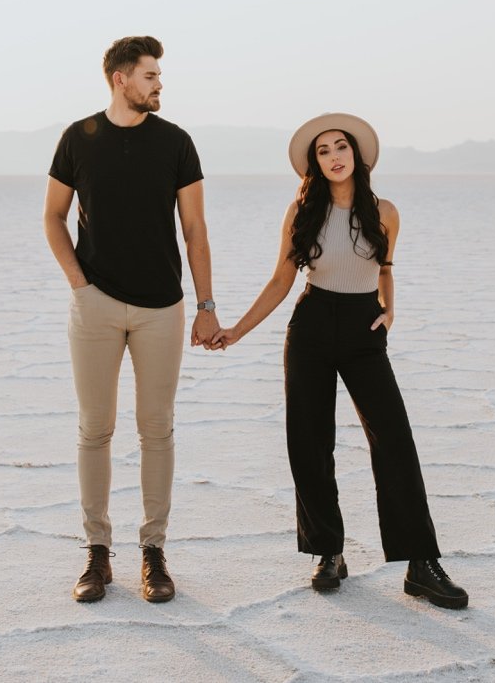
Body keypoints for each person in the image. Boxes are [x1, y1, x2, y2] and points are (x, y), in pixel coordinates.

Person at [212, 113, 468, 609]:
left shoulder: (385, 210)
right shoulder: (301, 212)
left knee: (393, 440)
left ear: (357, 155)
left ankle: (420, 563)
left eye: (340, 147)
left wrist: (389, 311)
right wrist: (237, 331)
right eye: (324, 151)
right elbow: (281, 281)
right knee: (309, 442)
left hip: (362, 330)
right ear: (316, 163)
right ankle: (327, 552)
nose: (334, 156)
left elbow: (385, 268)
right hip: (310, 325)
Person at [44, 35, 222, 603]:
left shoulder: (176, 143)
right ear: (121, 78)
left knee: (156, 428)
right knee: (95, 429)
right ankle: (97, 554)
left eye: (159, 76)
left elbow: (194, 230)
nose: (158, 84)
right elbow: (52, 217)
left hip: (161, 309)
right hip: (94, 305)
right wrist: (80, 284)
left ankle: (153, 552)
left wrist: (205, 306)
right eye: (150, 75)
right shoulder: (78, 138)